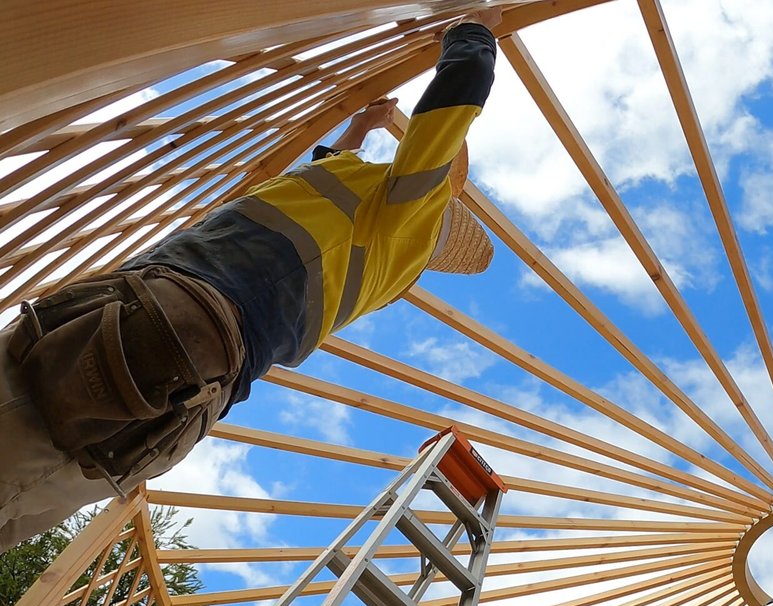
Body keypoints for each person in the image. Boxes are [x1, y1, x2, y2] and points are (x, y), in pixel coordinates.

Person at [0, 10, 502, 552]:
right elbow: (324, 175)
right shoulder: (375, 238)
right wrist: (361, 126)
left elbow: (455, 95)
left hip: (158, 325)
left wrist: (477, 31)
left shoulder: (414, 212)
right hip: (185, 383)